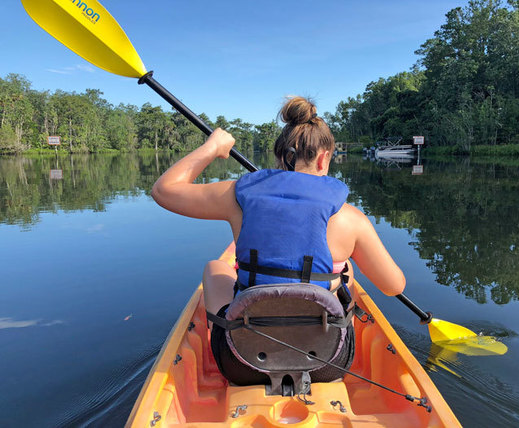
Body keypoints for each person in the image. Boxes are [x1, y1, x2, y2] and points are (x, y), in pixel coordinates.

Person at [151, 96, 406, 383]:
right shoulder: (351, 218)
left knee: (214, 268)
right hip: (327, 364)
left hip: (241, 363)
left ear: (279, 157)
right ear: (324, 158)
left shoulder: (236, 197)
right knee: (347, 270)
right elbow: (393, 285)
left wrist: (213, 147)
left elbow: (164, 190)